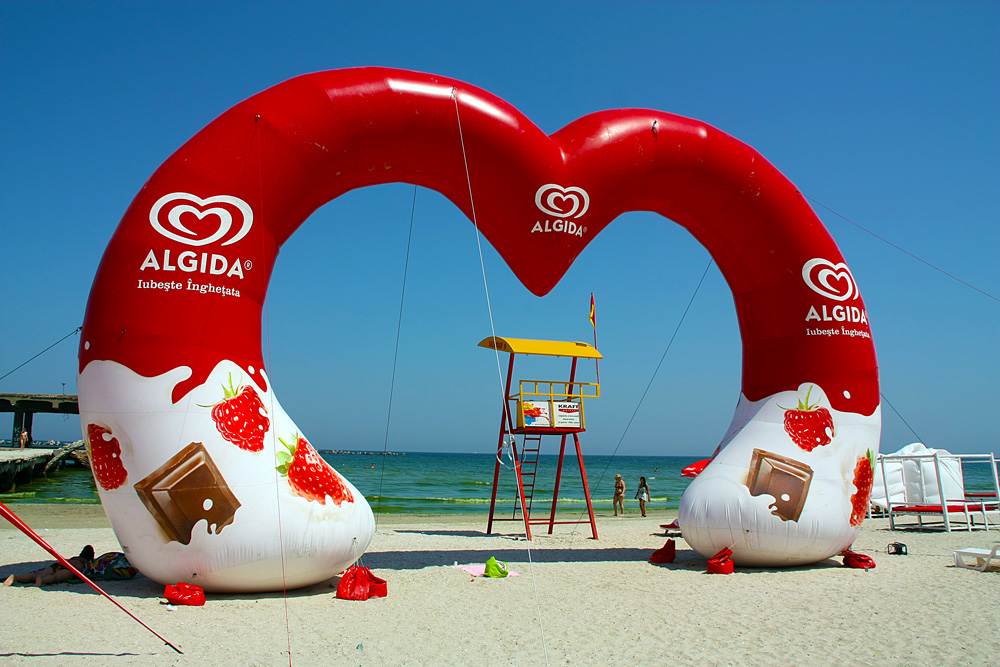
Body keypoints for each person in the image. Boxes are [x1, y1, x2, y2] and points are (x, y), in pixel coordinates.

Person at [4, 545, 138, 586]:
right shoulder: (84, 563)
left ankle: (17, 577)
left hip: (60, 563)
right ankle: (42, 581)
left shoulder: (75, 558)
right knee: (56, 578)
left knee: (38, 573)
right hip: (74, 569)